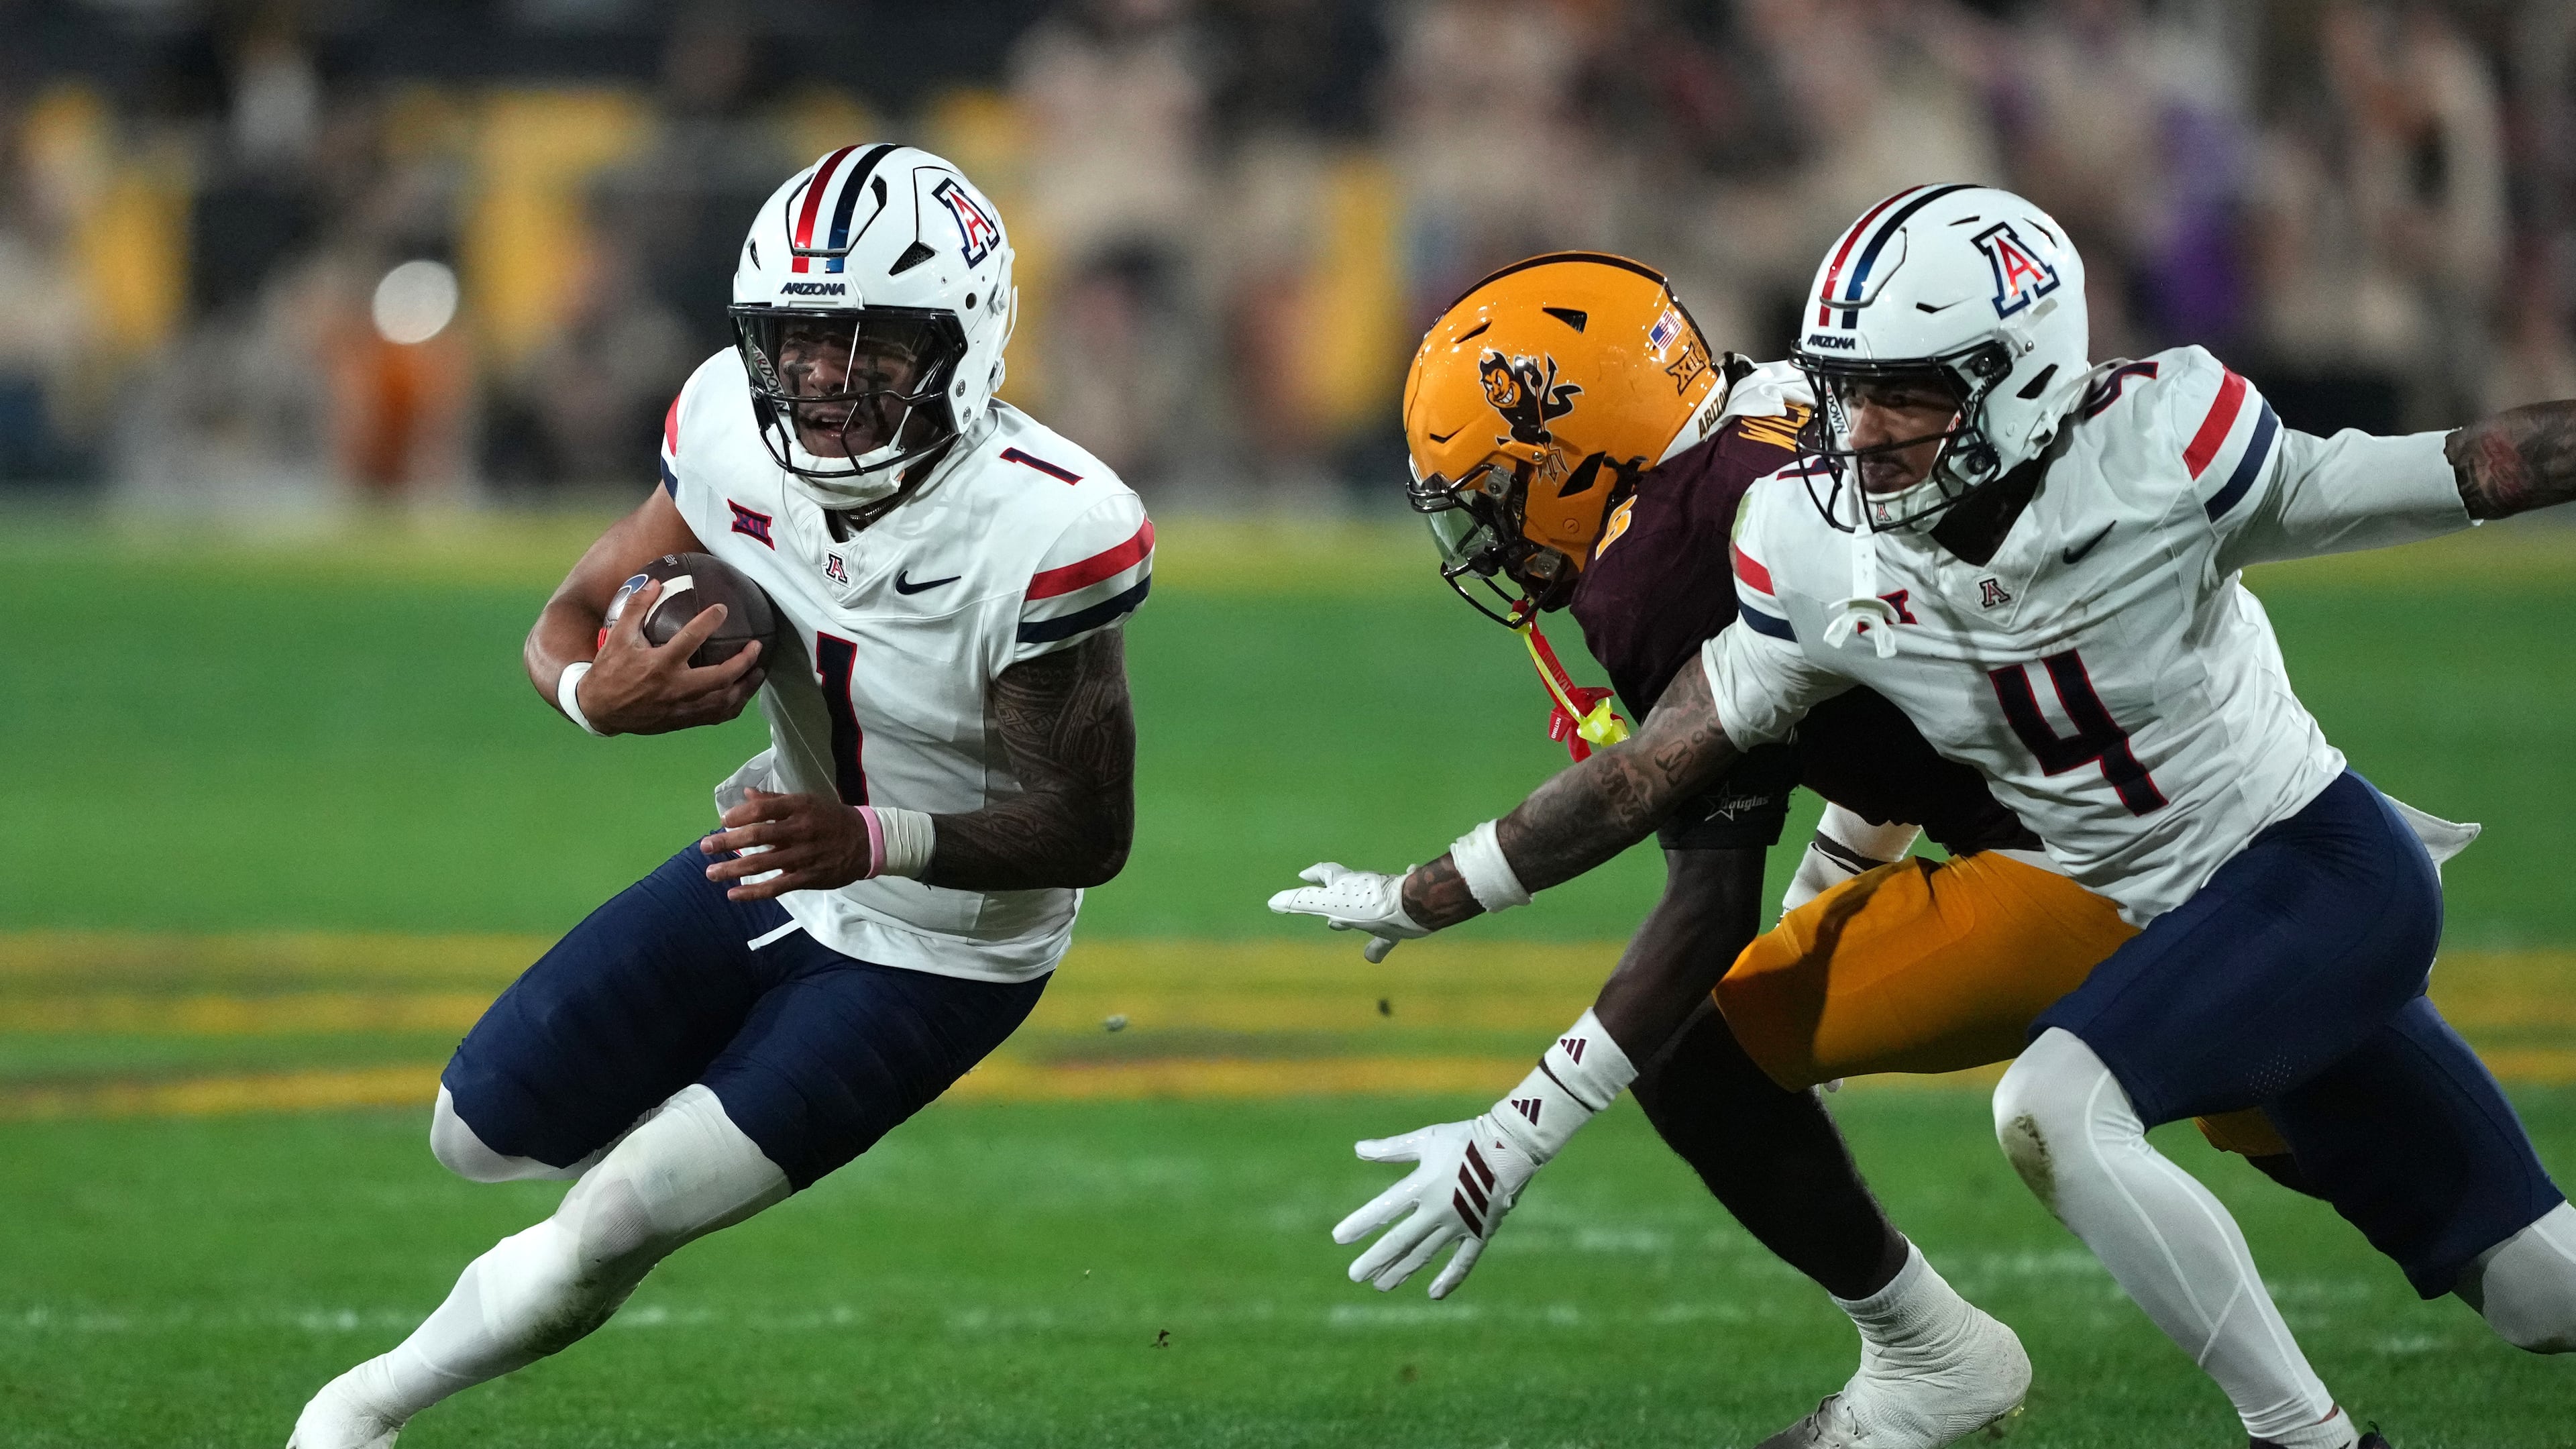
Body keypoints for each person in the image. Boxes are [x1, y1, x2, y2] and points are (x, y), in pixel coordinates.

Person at [1271, 184, 2576, 1449]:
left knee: (2042, 1108)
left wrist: (1514, 1133)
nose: (1864, 430)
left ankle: (2277, 1433)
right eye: (1848, 388)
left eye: (1905, 393)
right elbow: (1735, 730)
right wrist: (1432, 891)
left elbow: (2463, 468)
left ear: (2016, 378)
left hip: (2264, 870)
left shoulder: (2153, 451)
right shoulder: (1805, 504)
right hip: (2128, 884)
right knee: (2538, 1290)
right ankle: (1943, 1360)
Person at [288, 146, 1152, 1449]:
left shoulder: (1048, 527)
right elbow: (572, 614)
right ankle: (708, 1113)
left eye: (871, 343)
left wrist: (871, 838)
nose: (826, 378)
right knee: (475, 1133)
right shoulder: (728, 431)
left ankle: (357, 1411)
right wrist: (594, 696)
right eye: (799, 341)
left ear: (964, 341)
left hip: (944, 950)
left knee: (609, 1225)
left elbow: (1089, 830)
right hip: (777, 859)